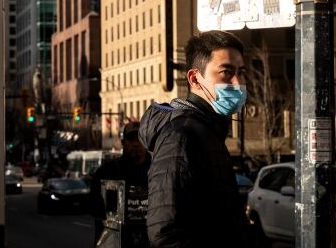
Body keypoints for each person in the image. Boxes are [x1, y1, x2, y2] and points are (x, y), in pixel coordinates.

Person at [139, 30, 248, 247]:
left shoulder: (209, 130)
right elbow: (165, 232)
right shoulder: (180, 136)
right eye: (226, 72)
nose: (238, 82)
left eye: (241, 72)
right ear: (194, 79)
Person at [90, 122, 151, 248]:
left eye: (140, 139)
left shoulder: (158, 172)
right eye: (131, 139)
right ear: (123, 143)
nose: (135, 143)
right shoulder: (108, 172)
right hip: (117, 242)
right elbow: (94, 207)